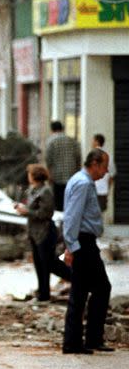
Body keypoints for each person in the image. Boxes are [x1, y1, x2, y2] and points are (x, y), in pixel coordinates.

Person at [61, 149, 113, 354]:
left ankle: (87, 339)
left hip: (82, 242)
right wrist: (71, 246)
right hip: (82, 243)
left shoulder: (82, 181)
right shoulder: (82, 184)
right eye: (104, 165)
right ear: (94, 163)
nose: (106, 170)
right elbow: (72, 217)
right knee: (93, 289)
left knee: (89, 290)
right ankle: (77, 342)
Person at [14, 164, 71, 302]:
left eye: (30, 174)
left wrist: (27, 211)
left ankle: (72, 279)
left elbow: (46, 213)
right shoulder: (32, 190)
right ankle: (42, 292)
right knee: (39, 264)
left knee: (48, 263)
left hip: (44, 232)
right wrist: (23, 210)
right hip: (34, 232)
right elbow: (32, 209)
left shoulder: (45, 191)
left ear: (35, 176)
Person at [45, 120, 81, 211]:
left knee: (59, 202)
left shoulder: (50, 141)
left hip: (57, 177)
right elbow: (78, 158)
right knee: (70, 202)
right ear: (62, 129)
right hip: (72, 176)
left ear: (52, 130)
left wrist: (49, 176)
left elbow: (48, 160)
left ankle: (61, 221)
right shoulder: (72, 140)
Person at [91, 134, 117, 212]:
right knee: (101, 211)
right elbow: (112, 173)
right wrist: (109, 187)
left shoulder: (91, 155)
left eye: (93, 140)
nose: (91, 143)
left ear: (96, 142)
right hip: (103, 188)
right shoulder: (108, 155)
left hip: (92, 187)